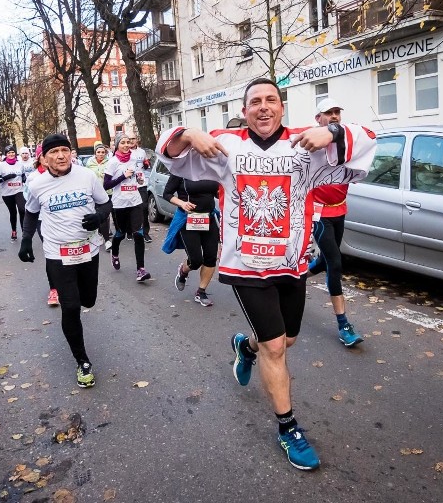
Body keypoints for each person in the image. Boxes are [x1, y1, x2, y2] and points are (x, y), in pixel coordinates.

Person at [156, 77, 376, 471]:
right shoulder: (228, 144)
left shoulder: (304, 143)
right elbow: (169, 153)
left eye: (270, 100)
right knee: (276, 348)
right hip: (245, 265)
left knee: (285, 340)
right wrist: (189, 132)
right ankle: (288, 427)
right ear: (244, 110)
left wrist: (331, 131)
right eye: (254, 101)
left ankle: (245, 346)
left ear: (281, 107)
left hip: (291, 264)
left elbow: (368, 142)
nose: (263, 107)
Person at [18, 133, 112, 388]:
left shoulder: (86, 176)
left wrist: (98, 217)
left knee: (88, 300)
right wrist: (26, 239)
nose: (60, 155)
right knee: (70, 307)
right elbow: (30, 213)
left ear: (71, 153)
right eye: (54, 152)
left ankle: (78, 305)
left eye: (64, 150)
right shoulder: (37, 184)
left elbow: (106, 205)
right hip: (57, 253)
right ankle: (82, 361)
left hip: (88, 249)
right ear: (44, 158)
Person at [307, 99, 363, 348]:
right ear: (318, 118)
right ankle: (344, 325)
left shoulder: (346, 142)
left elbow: (366, 137)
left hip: (339, 210)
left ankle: (296, 278)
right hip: (319, 214)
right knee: (334, 262)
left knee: (323, 261)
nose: (334, 116)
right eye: (328, 113)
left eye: (337, 112)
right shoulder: (310, 144)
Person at [162, 173, 221, 306]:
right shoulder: (181, 169)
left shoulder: (212, 168)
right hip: (188, 220)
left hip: (209, 218)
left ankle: (201, 292)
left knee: (211, 258)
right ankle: (183, 272)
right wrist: (182, 203)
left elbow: (218, 193)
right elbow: (167, 193)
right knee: (195, 260)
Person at [104, 133, 150, 282]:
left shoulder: (134, 159)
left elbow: (138, 175)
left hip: (135, 201)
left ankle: (140, 270)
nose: (126, 145)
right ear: (117, 145)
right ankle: (115, 253)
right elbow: (106, 185)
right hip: (119, 203)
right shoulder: (112, 162)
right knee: (121, 233)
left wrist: (139, 178)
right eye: (122, 142)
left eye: (128, 142)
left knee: (138, 234)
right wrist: (123, 176)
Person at [25, 143, 60, 307]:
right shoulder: (33, 178)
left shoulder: (63, 173)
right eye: (43, 156)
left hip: (62, 219)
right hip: (41, 219)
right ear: (39, 158)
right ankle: (54, 289)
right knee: (52, 252)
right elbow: (29, 203)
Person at [0, 145, 27, 241]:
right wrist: (6, 177)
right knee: (13, 212)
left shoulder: (20, 164)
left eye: (12, 152)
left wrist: (25, 179)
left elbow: (23, 176)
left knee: (22, 210)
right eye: (9, 153)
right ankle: (14, 230)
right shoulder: (1, 165)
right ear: (6, 155)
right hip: (7, 193)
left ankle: (24, 232)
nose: (11, 154)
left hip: (19, 190)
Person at [85, 141, 113, 251]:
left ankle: (106, 240)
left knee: (105, 216)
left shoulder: (109, 162)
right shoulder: (89, 162)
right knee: (96, 214)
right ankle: (100, 236)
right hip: (93, 193)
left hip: (107, 192)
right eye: (98, 152)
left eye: (103, 152)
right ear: (95, 153)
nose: (101, 154)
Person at [130, 136, 152, 243]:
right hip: (129, 184)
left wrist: (147, 163)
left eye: (133, 139)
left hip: (141, 183)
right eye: (129, 140)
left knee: (143, 208)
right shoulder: (124, 153)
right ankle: (131, 230)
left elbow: (146, 164)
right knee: (131, 208)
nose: (131, 141)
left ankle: (145, 232)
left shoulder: (142, 152)